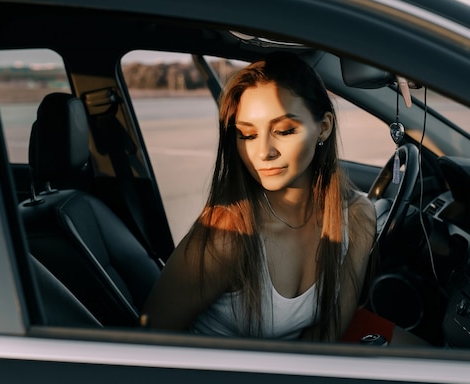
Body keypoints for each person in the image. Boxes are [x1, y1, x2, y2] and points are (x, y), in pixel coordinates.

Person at [141, 52, 376, 341]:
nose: (264, 152)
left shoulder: (356, 217)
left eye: (284, 130)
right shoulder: (227, 236)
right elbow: (147, 340)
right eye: (247, 135)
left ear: (323, 127)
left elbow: (328, 335)